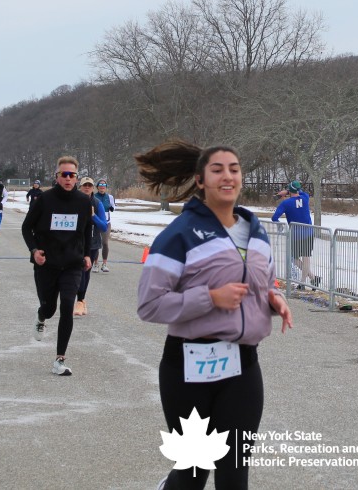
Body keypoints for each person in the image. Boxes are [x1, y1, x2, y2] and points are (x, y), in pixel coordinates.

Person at [135, 139, 292, 489]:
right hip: (188, 366)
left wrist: (274, 299)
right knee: (193, 471)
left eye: (234, 169)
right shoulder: (179, 235)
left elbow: (264, 282)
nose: (227, 176)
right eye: (217, 170)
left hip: (242, 365)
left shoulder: (256, 231)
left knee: (234, 473)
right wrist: (210, 298)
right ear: (200, 180)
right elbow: (149, 304)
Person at [21, 156, 93, 376]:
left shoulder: (84, 201)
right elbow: (26, 228)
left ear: (77, 178)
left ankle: (59, 360)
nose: (68, 178)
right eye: (64, 174)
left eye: (72, 175)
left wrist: (87, 254)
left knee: (67, 307)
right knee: (50, 308)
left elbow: (87, 230)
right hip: (47, 264)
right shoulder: (44, 199)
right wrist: (34, 251)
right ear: (57, 177)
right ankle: (41, 316)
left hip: (72, 264)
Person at [271, 180, 319, 289]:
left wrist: (279, 224)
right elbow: (301, 192)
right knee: (306, 257)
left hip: (296, 234)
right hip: (308, 232)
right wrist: (288, 191)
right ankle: (311, 278)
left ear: (289, 190)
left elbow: (274, 217)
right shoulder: (305, 197)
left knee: (294, 258)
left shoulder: (286, 203)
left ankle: (304, 283)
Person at [75, 177, 109, 316]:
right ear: (80, 187)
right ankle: (77, 299)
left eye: (89, 185)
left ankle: (81, 300)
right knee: (74, 272)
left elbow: (104, 226)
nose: (87, 188)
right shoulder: (74, 200)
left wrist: (93, 215)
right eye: (85, 185)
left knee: (84, 272)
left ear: (93, 188)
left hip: (92, 243)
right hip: (74, 242)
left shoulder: (97, 203)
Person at [92, 179, 115, 272]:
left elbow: (112, 208)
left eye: (104, 185)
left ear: (106, 187)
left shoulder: (110, 197)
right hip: (96, 223)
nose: (102, 187)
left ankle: (104, 264)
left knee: (105, 243)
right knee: (96, 243)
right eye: (100, 185)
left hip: (107, 223)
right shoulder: (94, 196)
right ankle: (95, 264)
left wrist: (110, 207)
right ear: (97, 187)